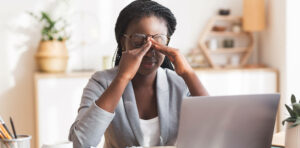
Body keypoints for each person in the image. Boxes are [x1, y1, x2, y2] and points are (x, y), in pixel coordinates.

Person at [69, 0, 208, 147]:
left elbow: (214, 129)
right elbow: (81, 143)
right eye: (138, 41)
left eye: (158, 41)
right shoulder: (101, 82)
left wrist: (188, 74)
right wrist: (123, 78)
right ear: (124, 42)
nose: (149, 52)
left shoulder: (179, 83)